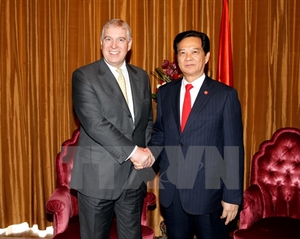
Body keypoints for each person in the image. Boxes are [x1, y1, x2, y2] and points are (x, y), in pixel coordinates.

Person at [149, 30, 244, 239]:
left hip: (210, 196)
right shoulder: (166, 93)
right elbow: (160, 133)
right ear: (177, 58)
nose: (188, 58)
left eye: (194, 51)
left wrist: (232, 197)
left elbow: (233, 148)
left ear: (206, 56)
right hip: (173, 194)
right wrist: (147, 155)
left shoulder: (225, 95)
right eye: (182, 53)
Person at [70, 19, 154, 239]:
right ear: (100, 43)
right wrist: (135, 152)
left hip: (133, 177)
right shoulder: (84, 76)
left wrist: (147, 156)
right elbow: (95, 123)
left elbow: (146, 121)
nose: (114, 45)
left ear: (130, 44)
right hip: (98, 178)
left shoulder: (142, 76)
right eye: (108, 39)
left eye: (120, 39)